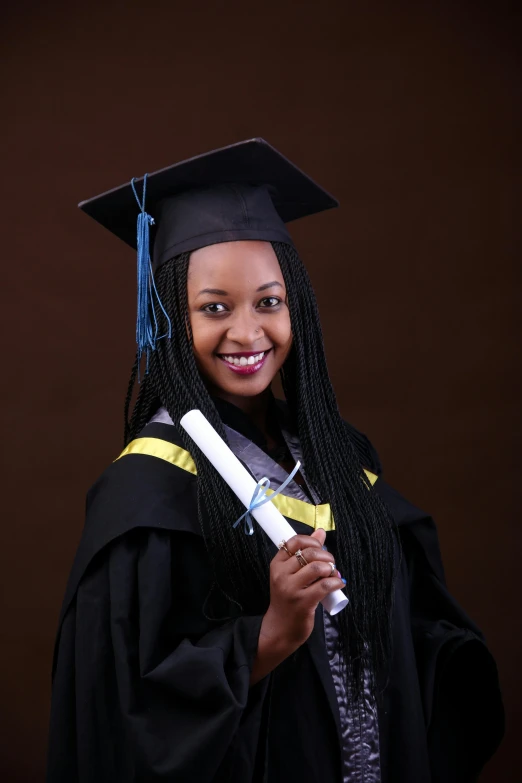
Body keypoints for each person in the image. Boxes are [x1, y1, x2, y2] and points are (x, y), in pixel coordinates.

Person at [47, 139, 504, 783]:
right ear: (170, 320)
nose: (247, 333)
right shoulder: (147, 490)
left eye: (269, 301)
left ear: (298, 309)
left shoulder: (338, 457)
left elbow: (411, 625)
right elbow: (123, 711)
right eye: (214, 308)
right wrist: (273, 632)